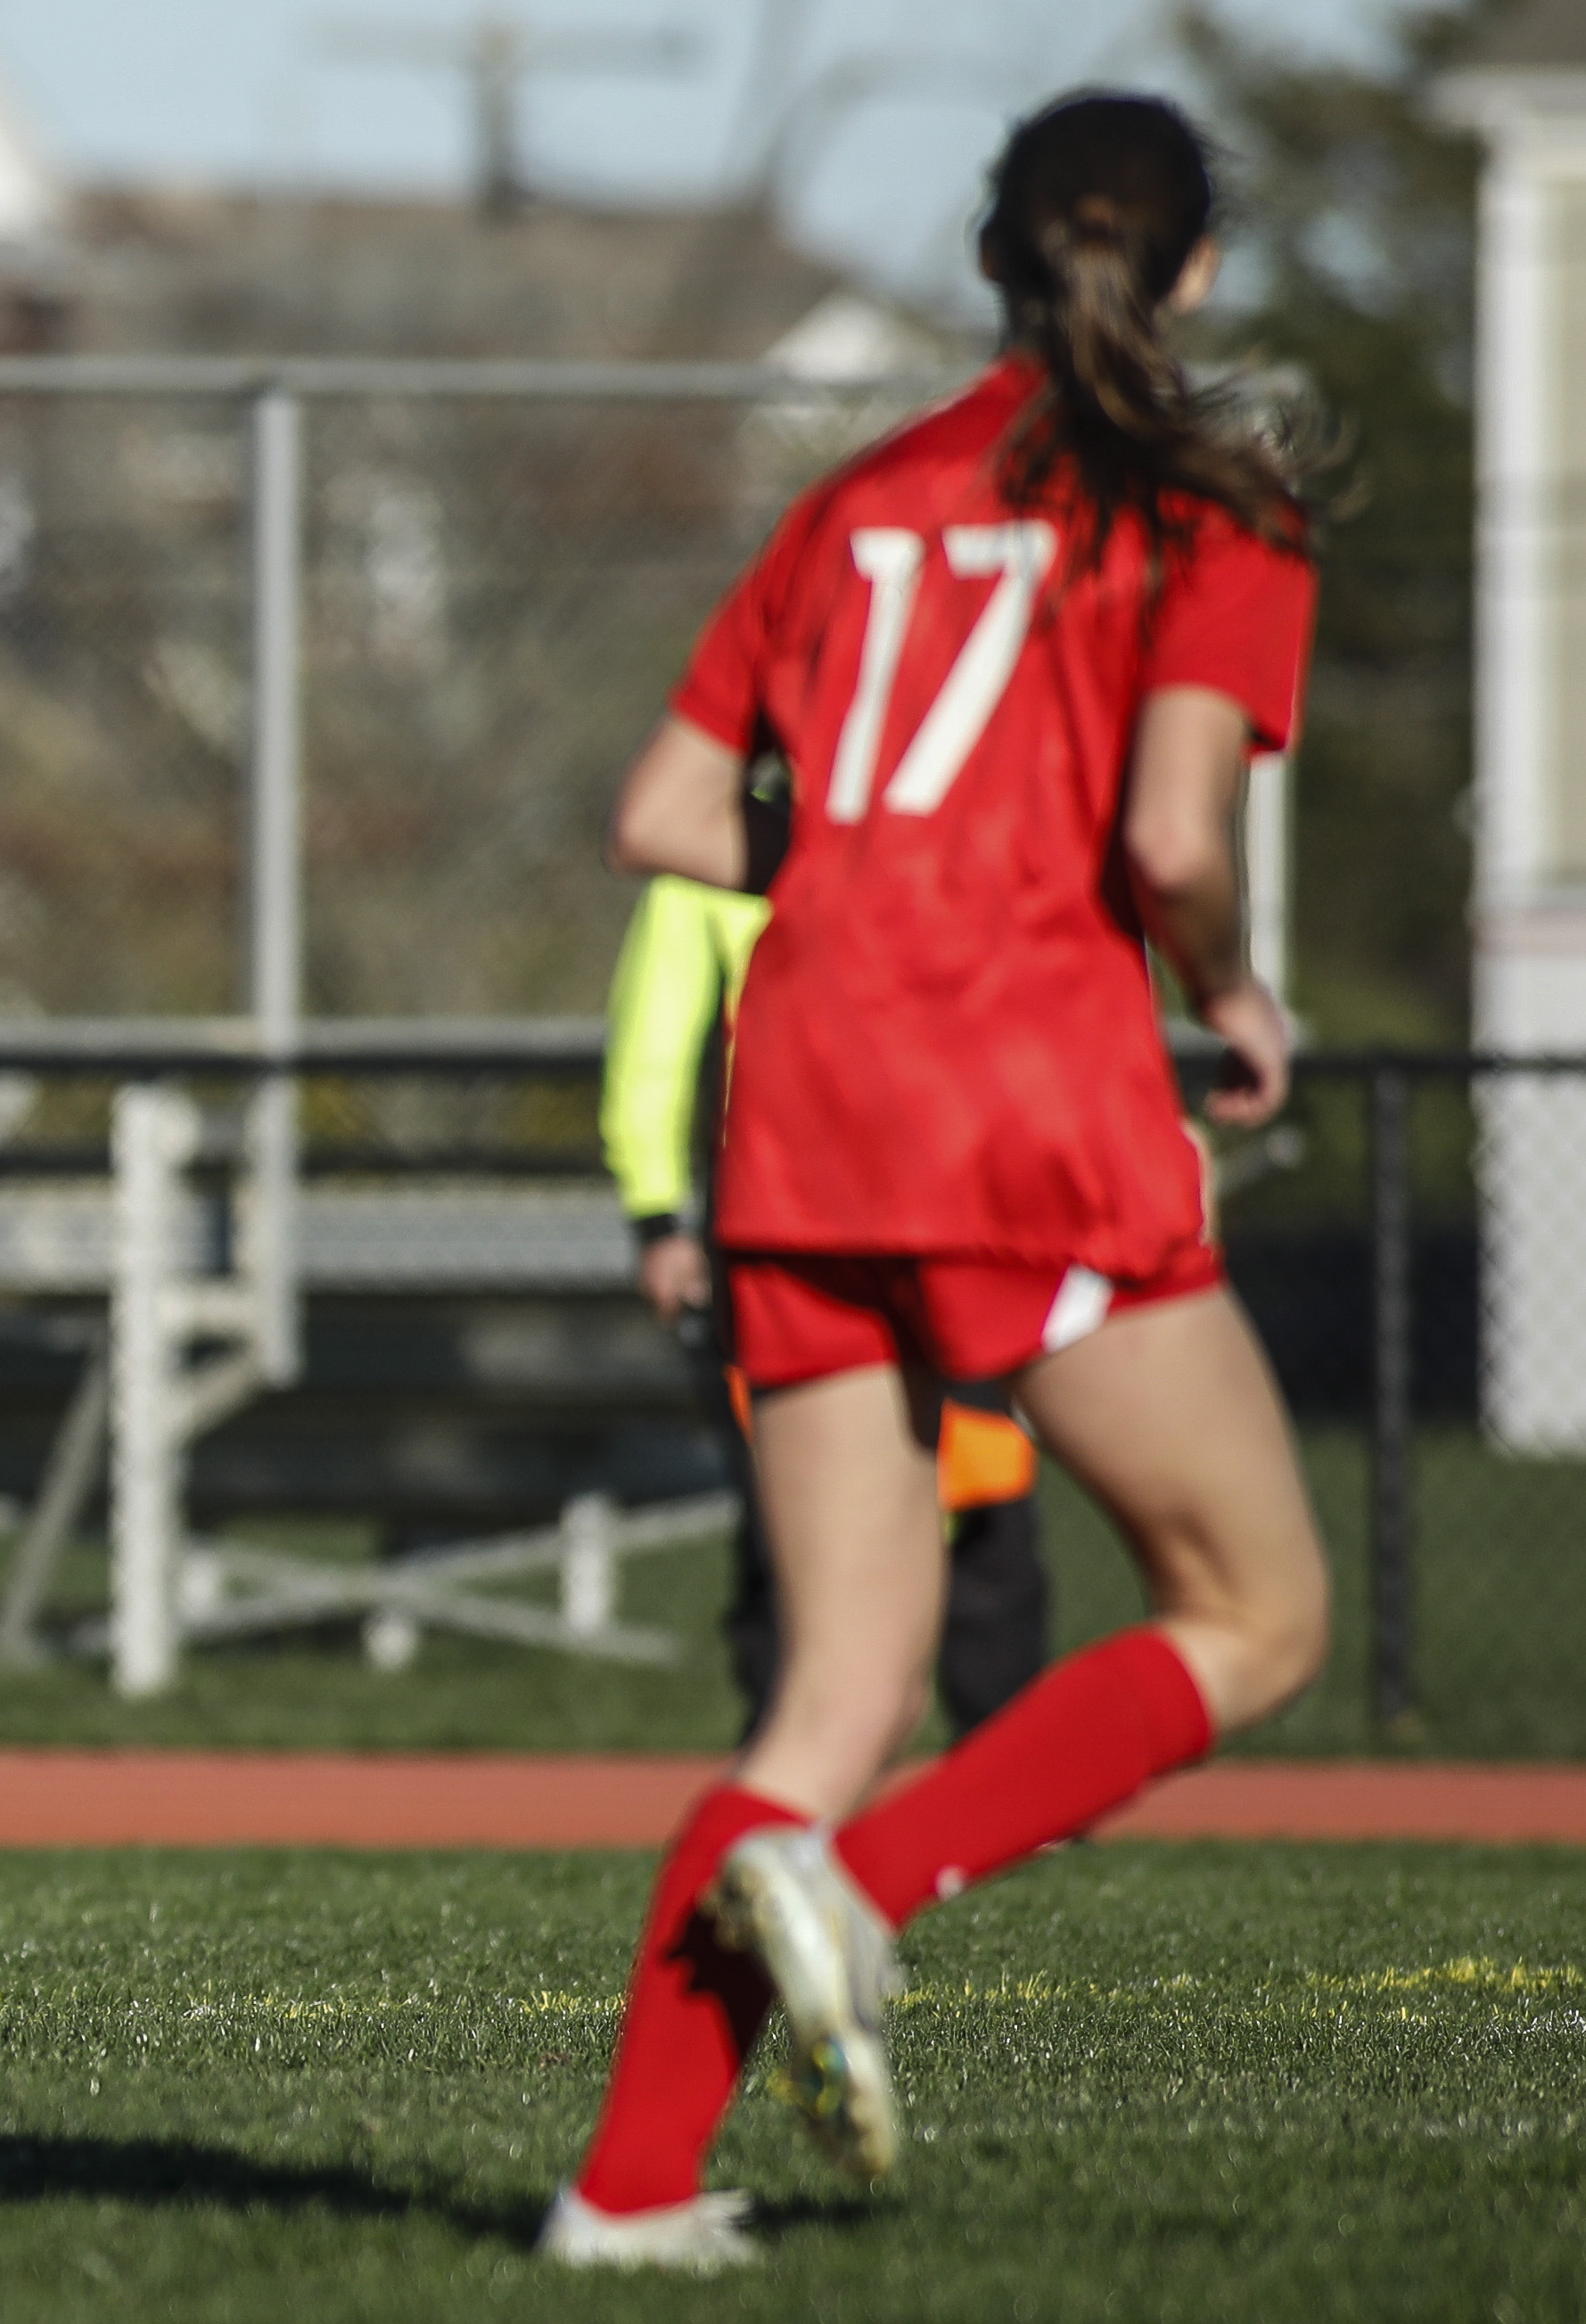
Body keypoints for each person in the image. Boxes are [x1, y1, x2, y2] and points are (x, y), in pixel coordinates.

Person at [542, 93, 1329, 2269]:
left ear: (992, 262)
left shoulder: (854, 502)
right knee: (1258, 1613)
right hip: (1020, 1108)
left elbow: (669, 810)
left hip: (802, 1104)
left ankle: (623, 2198)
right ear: (1183, 272)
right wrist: (1236, 998)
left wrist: (865, 870)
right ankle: (864, 1889)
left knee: (829, 1697)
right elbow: (1173, 840)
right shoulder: (1206, 506)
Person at [602, 857, 1053, 1741]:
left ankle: (1000, 1762)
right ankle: (793, 1766)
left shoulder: (951, 830)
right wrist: (658, 1217)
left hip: (947, 1220)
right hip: (783, 1225)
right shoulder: (714, 857)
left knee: (984, 1485)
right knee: (797, 1507)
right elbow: (650, 1053)